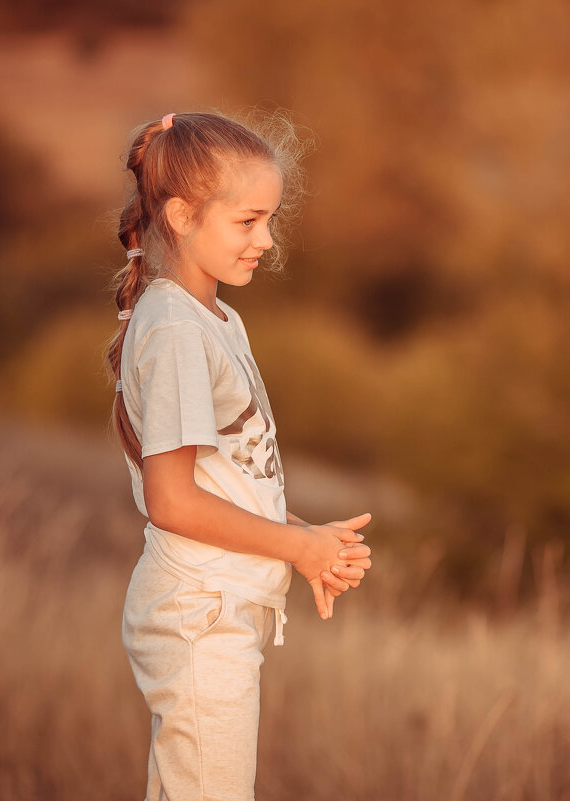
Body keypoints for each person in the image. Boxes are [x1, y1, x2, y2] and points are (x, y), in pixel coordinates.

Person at [104, 111, 373, 801]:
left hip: (221, 610)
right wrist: (295, 545)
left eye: (271, 220)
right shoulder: (173, 331)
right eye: (249, 221)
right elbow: (173, 501)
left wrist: (309, 540)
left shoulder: (216, 319)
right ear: (184, 214)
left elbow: (232, 478)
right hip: (199, 614)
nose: (267, 240)